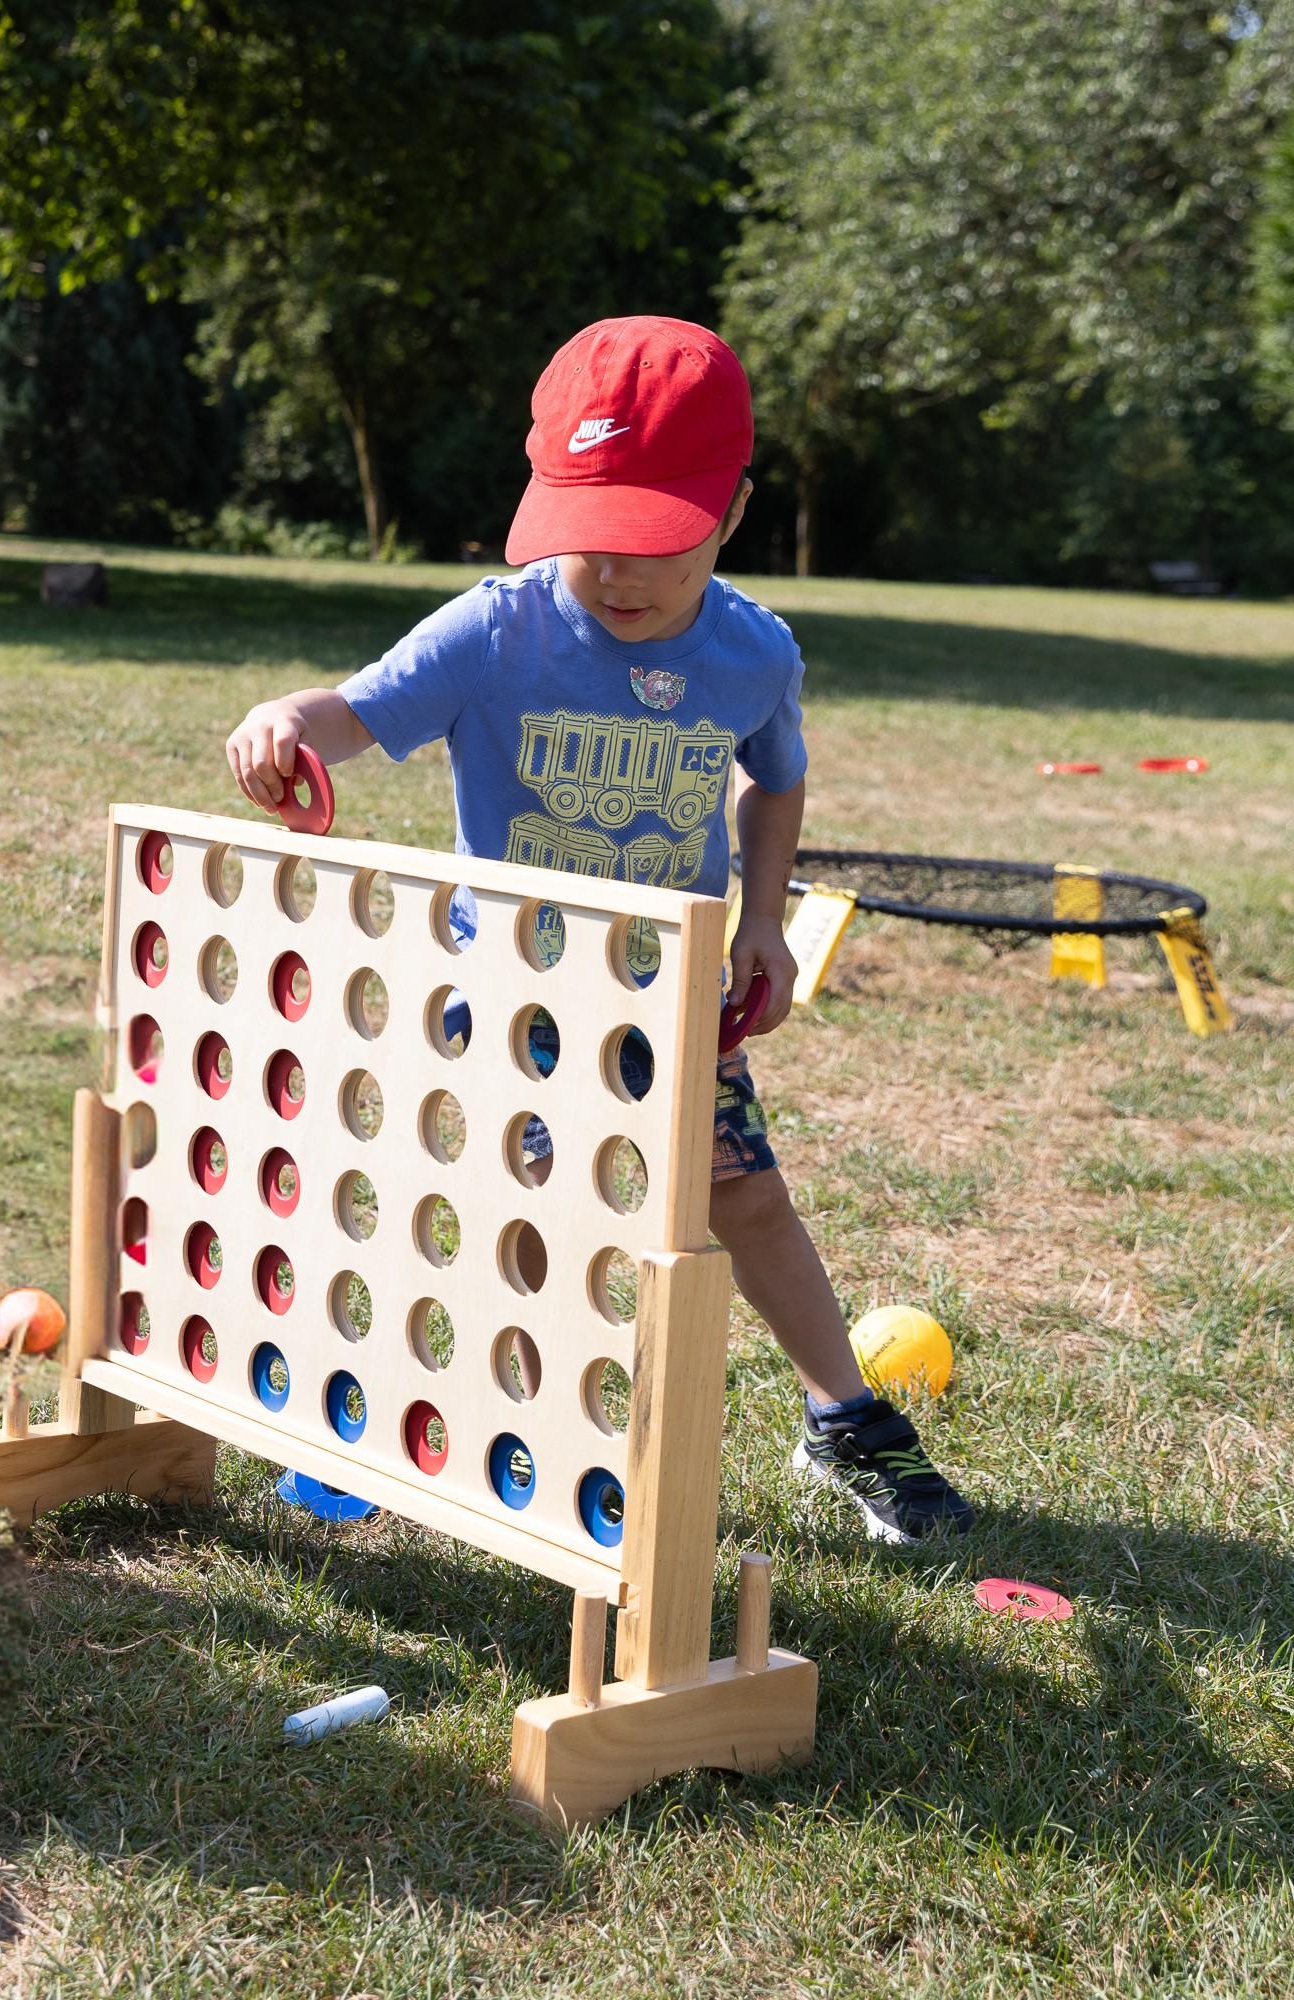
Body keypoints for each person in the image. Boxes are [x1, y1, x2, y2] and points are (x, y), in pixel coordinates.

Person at [226, 315, 971, 1544]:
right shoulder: (496, 628)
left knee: (746, 1202)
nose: (611, 572)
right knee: (507, 1207)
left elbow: (770, 777)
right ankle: (460, 1415)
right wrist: (281, 719)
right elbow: (350, 710)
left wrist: (765, 921)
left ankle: (841, 1419)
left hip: (664, 994)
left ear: (726, 511)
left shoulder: (750, 653)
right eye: (585, 537)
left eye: (646, 543)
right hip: (509, 988)